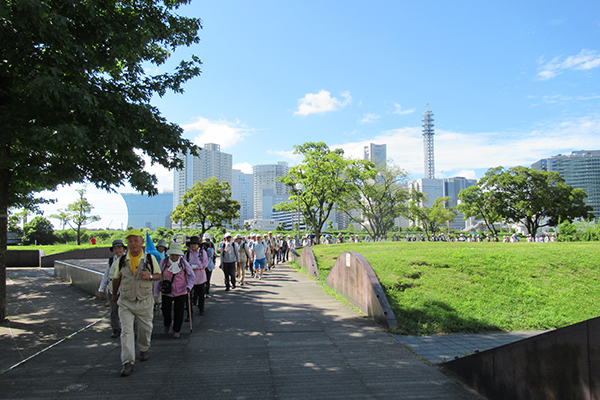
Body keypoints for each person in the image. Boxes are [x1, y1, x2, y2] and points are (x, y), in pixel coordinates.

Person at [112, 229, 161, 377]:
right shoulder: (121, 261)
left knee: (145, 329)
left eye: (136, 241)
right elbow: (116, 279)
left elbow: (159, 275)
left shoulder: (150, 259)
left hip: (144, 300)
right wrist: (114, 295)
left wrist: (150, 276)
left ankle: (144, 348)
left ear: (142, 242)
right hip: (126, 302)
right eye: (130, 241)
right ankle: (127, 362)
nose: (133, 244)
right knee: (126, 332)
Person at [156, 243, 195, 338]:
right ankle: (167, 323)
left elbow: (191, 275)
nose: (174, 256)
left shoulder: (183, 263)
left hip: (181, 291)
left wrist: (189, 286)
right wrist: (156, 292)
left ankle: (176, 330)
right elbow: (158, 277)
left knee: (179, 312)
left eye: (177, 254)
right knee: (166, 311)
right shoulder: (163, 262)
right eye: (172, 254)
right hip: (167, 291)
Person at [98, 239, 126, 338]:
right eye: (115, 249)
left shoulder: (128, 259)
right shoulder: (111, 260)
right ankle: (116, 329)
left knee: (125, 311)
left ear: (123, 248)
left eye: (119, 248)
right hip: (112, 289)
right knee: (114, 311)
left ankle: (126, 329)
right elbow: (106, 275)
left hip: (125, 290)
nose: (118, 251)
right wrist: (101, 288)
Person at [185, 236, 208, 315]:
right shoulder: (187, 254)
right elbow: (184, 263)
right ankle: (189, 314)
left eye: (195, 244)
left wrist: (196, 266)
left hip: (200, 277)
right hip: (190, 278)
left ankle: (201, 309)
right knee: (188, 297)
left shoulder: (202, 253)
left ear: (198, 245)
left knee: (201, 295)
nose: (193, 246)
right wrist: (188, 266)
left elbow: (205, 264)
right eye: (191, 244)